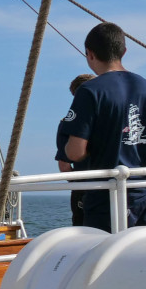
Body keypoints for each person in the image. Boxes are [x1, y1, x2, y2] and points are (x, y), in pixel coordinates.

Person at [57, 22, 146, 231]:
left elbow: (76, 152)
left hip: (107, 196)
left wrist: (68, 147)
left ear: (89, 54)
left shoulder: (90, 91)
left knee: (104, 258)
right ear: (124, 51)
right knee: (141, 257)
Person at [57, 73, 96, 226]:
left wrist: (80, 181)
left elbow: (64, 166)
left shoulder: (67, 124)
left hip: (83, 189)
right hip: (120, 187)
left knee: (85, 238)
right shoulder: (116, 119)